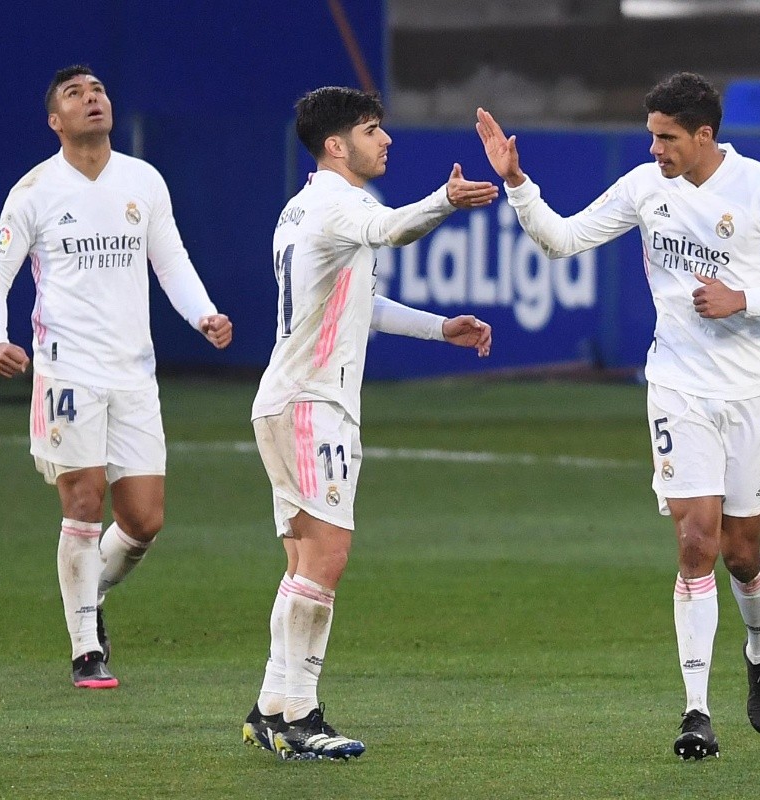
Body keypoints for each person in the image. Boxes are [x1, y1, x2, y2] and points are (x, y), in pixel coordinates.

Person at [476, 71, 760, 760]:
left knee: (741, 552)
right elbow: (560, 240)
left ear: (704, 135)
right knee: (694, 542)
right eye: (651, 136)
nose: (654, 149)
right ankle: (696, 713)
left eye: (667, 137)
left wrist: (748, 300)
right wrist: (517, 182)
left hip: (751, 392)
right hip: (676, 387)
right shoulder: (645, 188)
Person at [241, 85, 495, 761]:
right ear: (336, 144)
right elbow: (393, 229)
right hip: (311, 403)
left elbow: (363, 302)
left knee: (303, 558)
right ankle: (302, 716)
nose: (386, 141)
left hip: (292, 398)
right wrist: (446, 201)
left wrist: (442, 328)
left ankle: (270, 708)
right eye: (373, 129)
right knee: (326, 558)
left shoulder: (300, 209)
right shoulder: (342, 202)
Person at [0, 65, 233, 689]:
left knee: (144, 520)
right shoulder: (33, 192)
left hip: (135, 373)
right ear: (56, 121)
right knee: (82, 501)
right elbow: (1, 271)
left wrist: (203, 312)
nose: (92, 99)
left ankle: (85, 596)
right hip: (65, 369)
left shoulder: (143, 181)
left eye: (97, 90)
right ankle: (85, 649)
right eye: (75, 94)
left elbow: (171, 259)